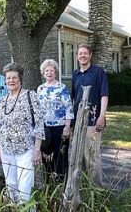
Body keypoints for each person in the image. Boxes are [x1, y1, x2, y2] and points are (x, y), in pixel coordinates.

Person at [0, 62, 45, 204]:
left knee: (25, 187)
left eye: (14, 78)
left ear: (20, 79)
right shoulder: (2, 101)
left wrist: (37, 150)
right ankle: (13, 207)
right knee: (10, 185)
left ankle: (26, 208)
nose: (11, 80)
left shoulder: (30, 96)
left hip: (25, 150)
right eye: (8, 78)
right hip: (6, 150)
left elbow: (40, 123)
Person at [72, 44, 109, 187]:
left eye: (85, 53)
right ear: (77, 56)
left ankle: (96, 190)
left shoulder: (98, 72)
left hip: (93, 120)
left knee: (92, 157)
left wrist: (102, 116)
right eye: (80, 53)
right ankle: (80, 188)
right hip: (78, 122)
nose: (82, 56)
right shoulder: (75, 74)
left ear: (90, 55)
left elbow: (104, 95)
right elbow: (74, 98)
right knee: (78, 156)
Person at [37, 59, 74, 182]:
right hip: (45, 129)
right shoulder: (40, 89)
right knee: (46, 157)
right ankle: (49, 185)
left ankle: (61, 183)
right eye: (46, 71)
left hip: (59, 128)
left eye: (51, 70)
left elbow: (69, 108)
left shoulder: (61, 87)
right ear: (43, 73)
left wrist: (67, 127)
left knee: (60, 157)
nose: (49, 73)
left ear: (55, 72)